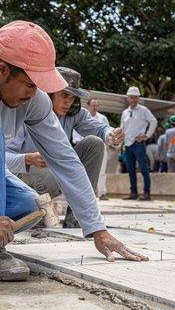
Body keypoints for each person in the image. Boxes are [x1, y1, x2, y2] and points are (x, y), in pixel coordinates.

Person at [0, 20, 147, 281]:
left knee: (27, 205)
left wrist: (96, 228)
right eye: (29, 84)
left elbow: (66, 160)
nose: (34, 94)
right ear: (2, 70)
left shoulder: (34, 102)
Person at [6, 67, 110, 228]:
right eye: (65, 95)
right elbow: (3, 159)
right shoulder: (25, 109)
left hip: (54, 173)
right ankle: (31, 207)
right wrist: (27, 159)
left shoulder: (74, 114)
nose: (68, 102)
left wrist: (94, 225)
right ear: (50, 93)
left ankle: (75, 219)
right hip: (26, 176)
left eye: (73, 98)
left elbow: (67, 160)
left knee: (93, 143)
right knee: (39, 189)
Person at [120, 86, 157, 201]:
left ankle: (147, 193)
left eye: (136, 97)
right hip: (128, 144)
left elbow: (153, 121)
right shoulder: (125, 112)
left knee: (144, 169)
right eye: (132, 97)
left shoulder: (144, 110)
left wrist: (147, 136)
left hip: (138, 143)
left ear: (138, 98)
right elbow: (122, 128)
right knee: (130, 170)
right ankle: (133, 192)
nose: (134, 99)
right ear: (128, 98)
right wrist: (120, 144)